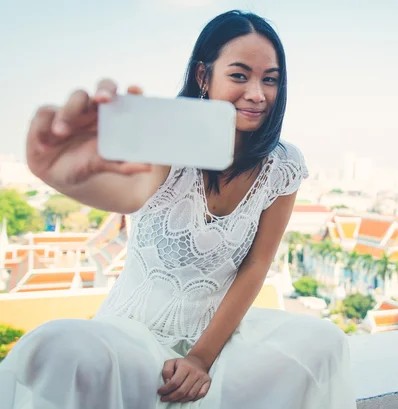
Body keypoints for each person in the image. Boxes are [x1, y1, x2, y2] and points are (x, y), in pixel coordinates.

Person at [0, 10, 357, 409]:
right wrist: (61, 176)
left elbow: (256, 267)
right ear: (203, 76)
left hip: (217, 343)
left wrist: (201, 357)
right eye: (239, 75)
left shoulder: (282, 164)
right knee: (58, 346)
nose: (258, 93)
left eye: (269, 79)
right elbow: (128, 193)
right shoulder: (171, 140)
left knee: (325, 342)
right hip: (132, 337)